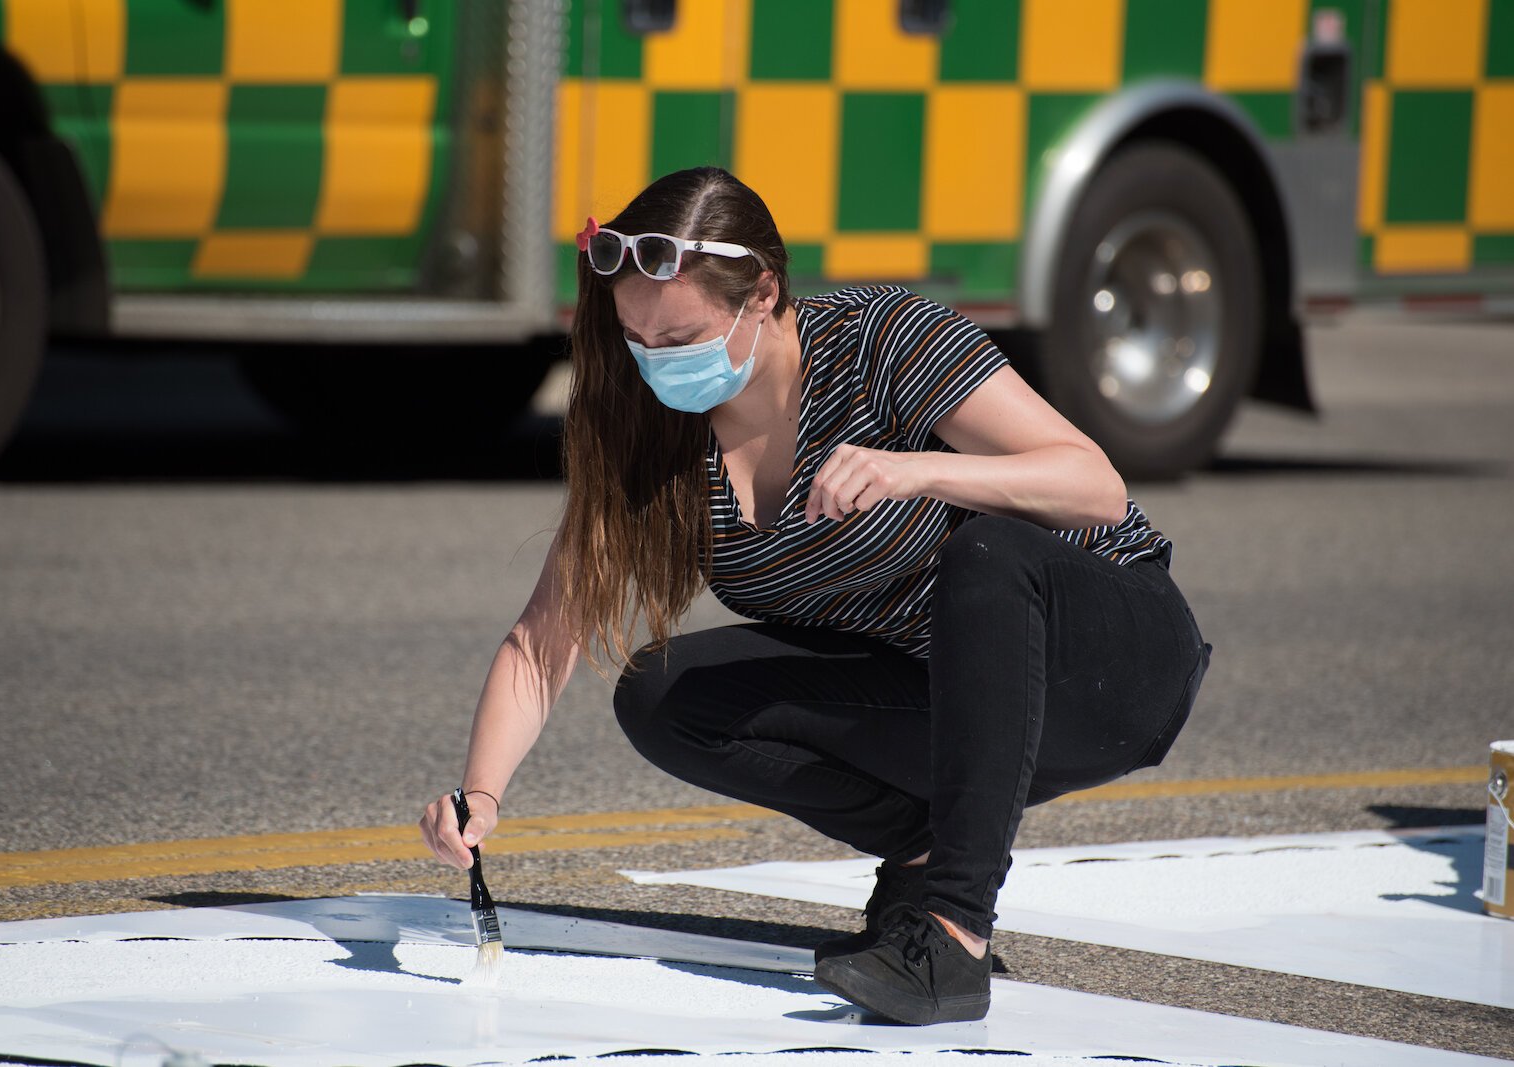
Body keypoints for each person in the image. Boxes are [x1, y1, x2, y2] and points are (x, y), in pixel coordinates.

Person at [419, 166, 1211, 1025]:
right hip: (951, 696)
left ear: (762, 293)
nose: (656, 360)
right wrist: (481, 795)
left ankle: (951, 935)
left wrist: (916, 470)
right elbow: (544, 639)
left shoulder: (882, 340)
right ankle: (919, 849)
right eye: (636, 335)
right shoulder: (657, 439)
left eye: (681, 334)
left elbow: (1095, 485)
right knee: (662, 693)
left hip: (1110, 662)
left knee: (986, 550)